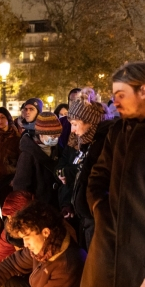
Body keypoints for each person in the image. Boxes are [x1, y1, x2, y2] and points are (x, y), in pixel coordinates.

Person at [78, 62, 145, 287]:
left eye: (121, 95)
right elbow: (97, 176)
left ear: (144, 91)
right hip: (109, 248)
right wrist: (99, 207)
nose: (115, 102)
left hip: (143, 258)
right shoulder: (118, 131)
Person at [56, 88, 112, 249]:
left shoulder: (101, 146)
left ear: (90, 122)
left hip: (97, 222)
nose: (72, 130)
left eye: (74, 124)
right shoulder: (86, 144)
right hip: (85, 218)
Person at [13, 112, 62, 208]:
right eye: (51, 136)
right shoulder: (28, 154)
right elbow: (21, 187)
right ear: (40, 134)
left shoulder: (57, 149)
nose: (55, 139)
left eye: (57, 135)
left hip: (56, 206)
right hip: (38, 209)